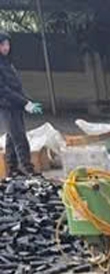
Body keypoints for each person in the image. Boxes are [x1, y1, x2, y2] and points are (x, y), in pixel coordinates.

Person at [0, 31, 42, 178]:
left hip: (15, 105)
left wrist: (28, 101)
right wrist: (25, 103)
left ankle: (12, 169)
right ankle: (27, 169)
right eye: (2, 44)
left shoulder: (8, 63)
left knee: (11, 138)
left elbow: (17, 86)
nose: (6, 47)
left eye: (7, 44)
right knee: (19, 137)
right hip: (6, 106)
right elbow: (4, 90)